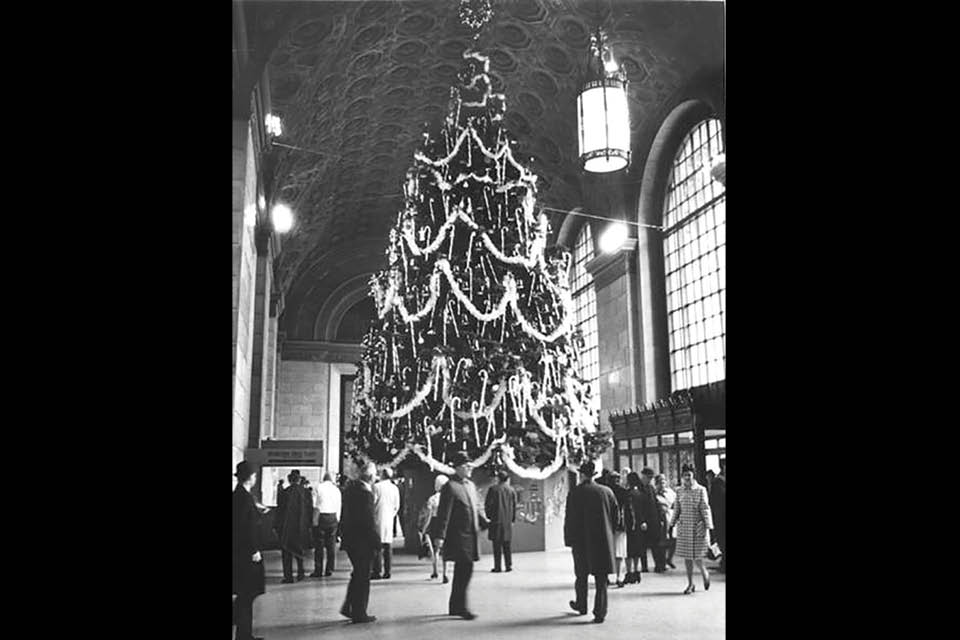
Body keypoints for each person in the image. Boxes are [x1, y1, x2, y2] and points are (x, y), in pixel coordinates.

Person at [435, 451, 488, 620]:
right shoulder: (450, 487)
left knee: (463, 571)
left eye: (470, 465)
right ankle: (461, 607)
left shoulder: (470, 486)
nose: (469, 468)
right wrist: (439, 536)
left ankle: (455, 606)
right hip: (459, 537)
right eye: (466, 466)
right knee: (465, 569)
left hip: (471, 535)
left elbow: (475, 508)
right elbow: (444, 514)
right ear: (457, 468)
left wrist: (485, 521)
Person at [565, 460, 618, 624]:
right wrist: (610, 532)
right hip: (602, 540)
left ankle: (581, 605)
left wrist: (569, 539)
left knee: (581, 575)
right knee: (601, 578)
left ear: (581, 475)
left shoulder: (575, 492)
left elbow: (570, 518)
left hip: (581, 541)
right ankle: (600, 612)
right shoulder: (606, 491)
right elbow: (616, 517)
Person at [339, 462, 380, 624]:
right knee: (363, 577)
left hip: (351, 539)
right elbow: (368, 521)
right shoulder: (365, 493)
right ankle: (359, 612)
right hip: (363, 541)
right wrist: (376, 541)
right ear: (370, 477)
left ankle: (348, 607)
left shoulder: (350, 490)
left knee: (357, 574)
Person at [233, 461, 265, 640]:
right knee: (247, 593)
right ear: (250, 477)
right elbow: (245, 527)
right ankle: (244, 635)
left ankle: (244, 633)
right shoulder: (244, 497)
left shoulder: (241, 495)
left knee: (246, 593)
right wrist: (254, 549)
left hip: (242, 551)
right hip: (247, 552)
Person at [671, 463, 715, 594]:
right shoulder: (679, 490)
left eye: (689, 475)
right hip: (684, 528)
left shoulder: (701, 490)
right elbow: (677, 509)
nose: (687, 478)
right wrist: (671, 524)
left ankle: (704, 572)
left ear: (693, 475)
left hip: (698, 527)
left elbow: (705, 508)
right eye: (684, 476)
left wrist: (708, 526)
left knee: (698, 556)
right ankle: (690, 584)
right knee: (687, 557)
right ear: (682, 476)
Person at [275, 470, 310, 583]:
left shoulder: (284, 492)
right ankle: (301, 573)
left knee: (286, 552)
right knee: (299, 551)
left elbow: (279, 512)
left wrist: (276, 527)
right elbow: (310, 510)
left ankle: (288, 576)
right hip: (301, 527)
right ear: (299, 479)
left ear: (289, 480)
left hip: (287, 528)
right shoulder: (306, 493)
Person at [418, 474, 450, 582]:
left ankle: (435, 571)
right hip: (446, 524)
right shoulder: (449, 498)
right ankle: (445, 573)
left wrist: (424, 528)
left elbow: (429, 515)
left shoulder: (432, 499)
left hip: (434, 523)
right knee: (445, 549)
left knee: (435, 550)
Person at [484, 470, 517, 573]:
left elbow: (488, 505)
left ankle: (497, 567)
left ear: (498, 478)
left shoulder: (492, 489)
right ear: (507, 479)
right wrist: (512, 519)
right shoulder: (511, 490)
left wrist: (489, 516)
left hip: (496, 520)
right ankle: (508, 566)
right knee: (507, 545)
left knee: (496, 545)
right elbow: (514, 506)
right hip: (507, 522)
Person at [371, 467, 401, 580]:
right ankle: (388, 571)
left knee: (377, 546)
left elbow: (372, 502)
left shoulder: (376, 487)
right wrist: (391, 515)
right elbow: (396, 506)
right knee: (388, 546)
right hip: (389, 519)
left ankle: (377, 571)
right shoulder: (394, 488)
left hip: (377, 518)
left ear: (382, 475)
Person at [311, 471, 342, 578]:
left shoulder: (318, 487)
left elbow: (315, 505)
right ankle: (330, 569)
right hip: (333, 517)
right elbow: (339, 505)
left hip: (321, 517)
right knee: (331, 545)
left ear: (324, 478)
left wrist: (314, 520)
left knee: (319, 545)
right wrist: (337, 519)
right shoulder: (336, 490)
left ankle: (318, 570)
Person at [600, 470, 628, 587]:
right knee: (619, 553)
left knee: (605, 552)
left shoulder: (603, 492)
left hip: (605, 526)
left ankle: (606, 577)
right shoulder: (623, 492)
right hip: (620, 526)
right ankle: (618, 577)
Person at [654, 473, 678, 570]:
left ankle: (670, 559)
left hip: (672, 518)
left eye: (663, 481)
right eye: (660, 482)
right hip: (662, 519)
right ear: (656, 483)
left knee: (674, 540)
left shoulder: (670, 492)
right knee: (663, 541)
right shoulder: (655, 494)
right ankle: (662, 562)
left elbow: (676, 502)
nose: (662, 483)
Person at [708, 468, 726, 573]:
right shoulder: (721, 481)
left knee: (721, 540)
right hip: (720, 517)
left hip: (720, 518)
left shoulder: (718, 482)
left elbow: (714, 502)